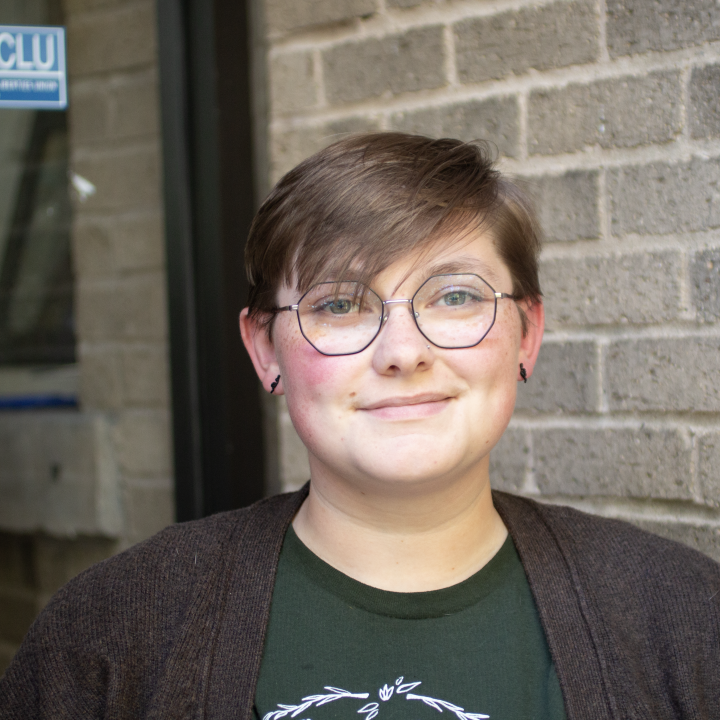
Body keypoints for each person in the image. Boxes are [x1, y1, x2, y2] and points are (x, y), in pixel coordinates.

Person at [1, 133, 718, 719]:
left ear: (526, 334)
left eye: (455, 296)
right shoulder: (107, 635)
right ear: (264, 350)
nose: (404, 353)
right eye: (340, 305)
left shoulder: (685, 623)